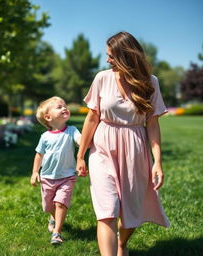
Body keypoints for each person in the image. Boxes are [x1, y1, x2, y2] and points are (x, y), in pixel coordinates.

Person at [76, 31, 170, 256]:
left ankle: (122, 243)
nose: (107, 60)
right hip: (103, 148)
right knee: (107, 210)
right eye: (107, 55)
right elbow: (92, 118)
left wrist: (157, 161)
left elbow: (153, 125)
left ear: (127, 57)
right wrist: (80, 156)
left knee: (132, 211)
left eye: (112, 56)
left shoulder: (150, 83)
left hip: (135, 150)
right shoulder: (101, 78)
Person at [30, 96, 81, 245]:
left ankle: (57, 233)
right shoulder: (45, 137)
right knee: (48, 207)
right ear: (48, 117)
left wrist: (86, 141)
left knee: (60, 203)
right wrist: (35, 172)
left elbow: (80, 141)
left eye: (65, 106)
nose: (64, 108)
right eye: (59, 107)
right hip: (47, 177)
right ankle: (53, 217)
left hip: (67, 176)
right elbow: (39, 155)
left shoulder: (72, 130)